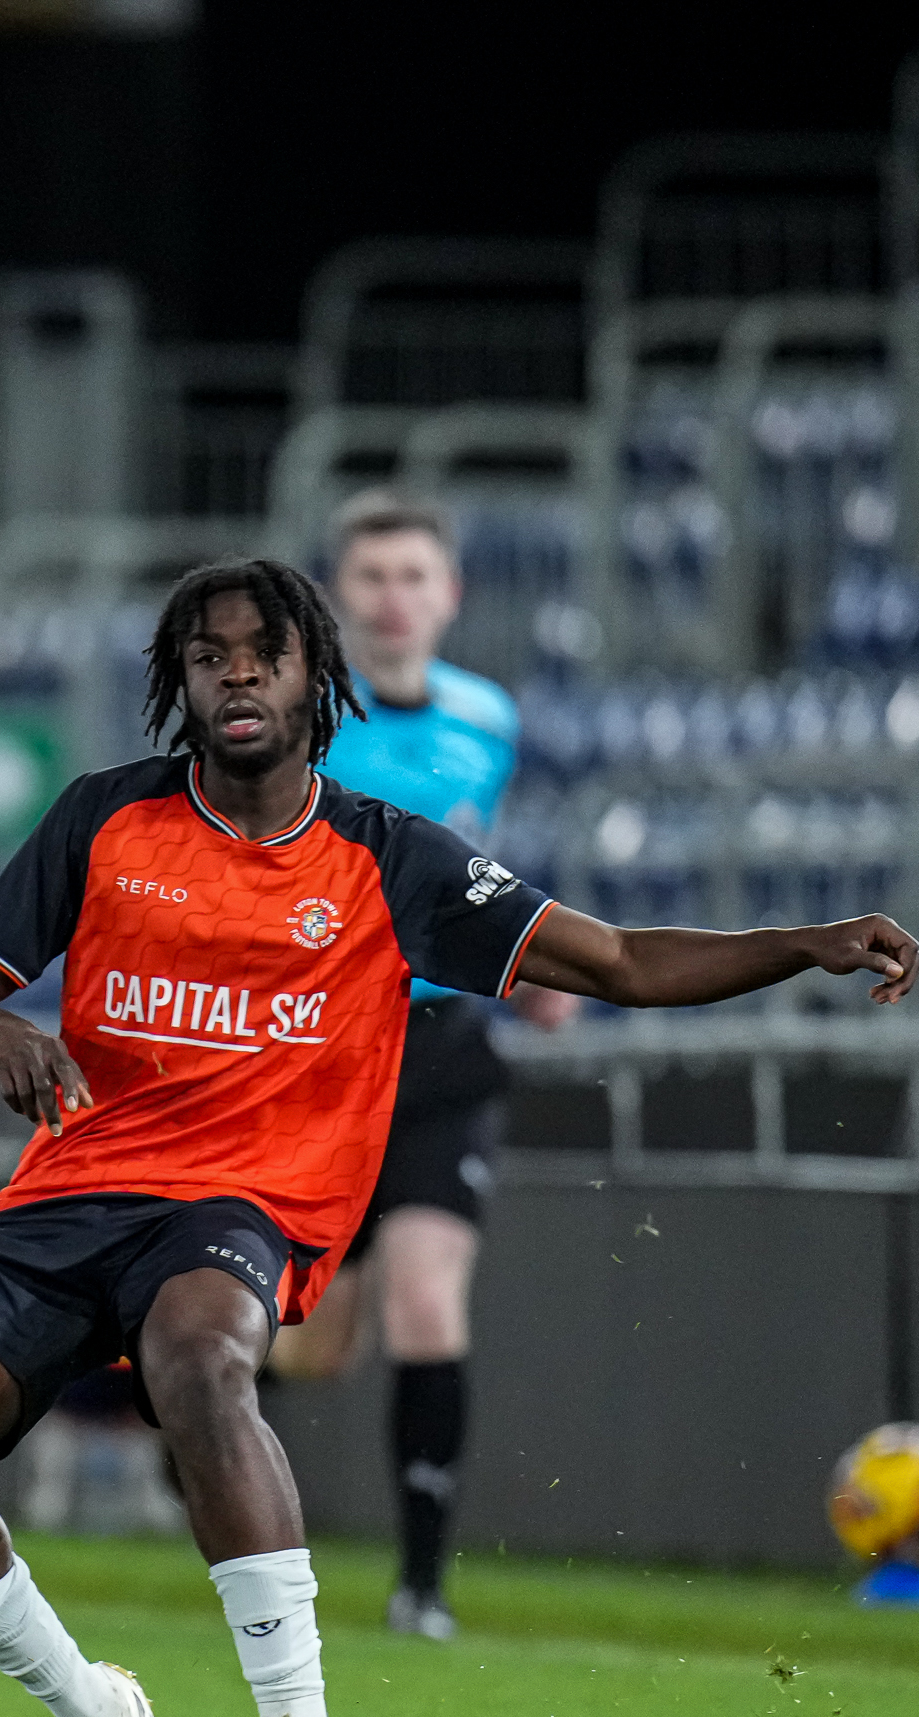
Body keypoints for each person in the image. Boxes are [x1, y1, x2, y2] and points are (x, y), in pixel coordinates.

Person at [0, 557, 919, 1717]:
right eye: (209, 653)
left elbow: (620, 960)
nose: (237, 669)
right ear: (179, 684)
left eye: (265, 650)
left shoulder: (388, 857)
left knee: (199, 1356)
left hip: (243, 1200)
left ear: (316, 676)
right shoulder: (101, 819)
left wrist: (804, 941)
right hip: (72, 1185)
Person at [270, 491, 576, 1642]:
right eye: (372, 577)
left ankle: (422, 1585)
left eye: (414, 576)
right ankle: (215, 1471)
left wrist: (530, 964)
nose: (394, 598)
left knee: (429, 1302)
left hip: (443, 1051)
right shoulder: (302, 720)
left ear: (449, 595)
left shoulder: (487, 717)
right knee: (311, 1345)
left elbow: (466, 864)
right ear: (338, 599)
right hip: (317, 1053)